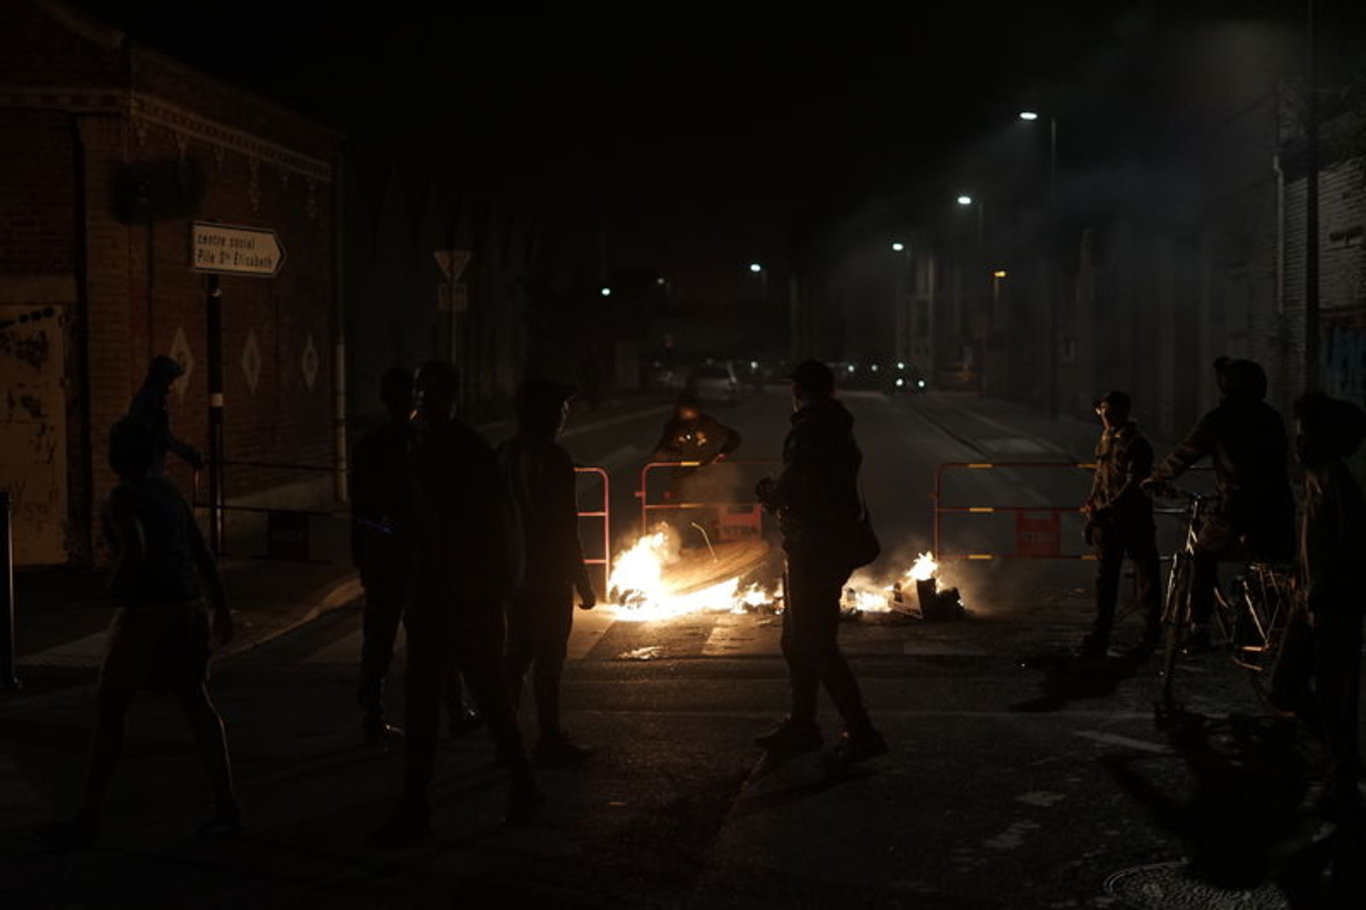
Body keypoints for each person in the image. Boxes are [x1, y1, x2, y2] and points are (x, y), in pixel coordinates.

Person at [40, 416, 238, 848]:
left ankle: (90, 814)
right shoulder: (170, 494)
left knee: (111, 709)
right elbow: (201, 552)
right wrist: (220, 608)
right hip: (187, 606)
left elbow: (135, 549)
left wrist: (114, 585)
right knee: (198, 705)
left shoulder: (121, 497)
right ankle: (227, 804)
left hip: (145, 612)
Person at [374, 361, 539, 845]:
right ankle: (419, 804)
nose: (425, 403)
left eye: (432, 395)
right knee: (433, 694)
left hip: (462, 588)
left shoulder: (449, 450)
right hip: (443, 587)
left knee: (477, 689)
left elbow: (487, 521)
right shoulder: (436, 446)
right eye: (423, 394)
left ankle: (516, 786)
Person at [753, 360, 887, 765]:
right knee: (797, 640)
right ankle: (802, 725)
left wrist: (771, 494)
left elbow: (798, 482)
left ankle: (860, 730)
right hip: (822, 545)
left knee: (813, 641)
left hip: (815, 547)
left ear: (801, 390)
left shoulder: (811, 428)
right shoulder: (837, 426)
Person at [350, 367, 478, 745]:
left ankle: (374, 711)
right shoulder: (419, 440)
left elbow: (361, 506)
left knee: (380, 635)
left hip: (384, 551)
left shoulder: (370, 443)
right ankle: (453, 709)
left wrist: (363, 550)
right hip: (416, 551)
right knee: (437, 633)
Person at [1144, 358, 1295, 652]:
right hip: (1278, 508)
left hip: (1237, 507)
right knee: (1272, 565)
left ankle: (1200, 628)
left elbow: (1184, 453)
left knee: (1202, 555)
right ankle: (1276, 627)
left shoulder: (1219, 419)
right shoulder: (1272, 417)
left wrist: (1157, 478)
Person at [1270, 391, 1366, 819]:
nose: (1298, 438)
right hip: (1306, 602)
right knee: (1285, 686)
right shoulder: (1316, 477)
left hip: (1333, 608)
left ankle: (1343, 777)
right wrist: (1298, 577)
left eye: (1304, 430)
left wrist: (1321, 588)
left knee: (1334, 700)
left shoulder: (1337, 484)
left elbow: (1349, 549)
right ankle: (1338, 761)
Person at [498, 378, 598, 766]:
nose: (563, 417)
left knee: (516, 656)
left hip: (513, 573)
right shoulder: (554, 459)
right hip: (547, 574)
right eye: (559, 410)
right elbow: (563, 526)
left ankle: (504, 739)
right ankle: (549, 737)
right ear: (546, 415)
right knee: (548, 658)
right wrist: (583, 582)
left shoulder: (503, 454)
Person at [1080, 390, 1162, 659]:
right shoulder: (1106, 439)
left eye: (1109, 411)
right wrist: (1092, 503)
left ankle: (1152, 631)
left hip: (1132, 520)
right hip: (1107, 520)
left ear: (1122, 413)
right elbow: (1101, 474)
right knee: (1106, 579)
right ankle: (1101, 631)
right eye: (1102, 411)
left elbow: (1133, 485)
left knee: (1145, 574)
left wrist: (1105, 510)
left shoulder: (1136, 444)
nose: (1104, 416)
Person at [128, 354, 203, 479]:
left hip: (142, 464)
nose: (173, 386)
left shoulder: (146, 397)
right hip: (147, 465)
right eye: (172, 380)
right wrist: (188, 453)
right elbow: (162, 436)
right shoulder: (153, 400)